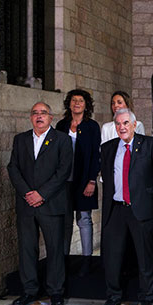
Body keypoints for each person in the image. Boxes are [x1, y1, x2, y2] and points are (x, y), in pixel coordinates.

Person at [7, 102, 73, 305]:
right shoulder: (20, 140)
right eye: (35, 113)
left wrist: (42, 194)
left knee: (55, 249)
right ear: (31, 117)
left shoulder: (62, 139)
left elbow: (64, 170)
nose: (39, 116)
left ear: (51, 117)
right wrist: (27, 193)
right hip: (26, 203)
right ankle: (29, 291)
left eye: (43, 113)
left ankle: (56, 291)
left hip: (51, 203)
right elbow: (13, 168)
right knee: (27, 248)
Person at [100, 108, 153, 305]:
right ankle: (113, 296)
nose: (122, 127)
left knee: (145, 257)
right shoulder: (108, 148)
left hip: (141, 210)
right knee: (112, 257)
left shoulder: (149, 144)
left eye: (126, 123)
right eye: (118, 124)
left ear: (134, 125)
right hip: (116, 210)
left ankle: (146, 297)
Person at [56, 89, 101, 277]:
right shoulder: (61, 125)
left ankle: (87, 260)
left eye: (80, 100)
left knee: (84, 219)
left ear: (86, 104)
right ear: (69, 103)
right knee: (64, 221)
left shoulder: (92, 126)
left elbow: (96, 155)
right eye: (73, 100)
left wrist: (92, 180)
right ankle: (63, 259)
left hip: (84, 180)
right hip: (64, 182)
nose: (77, 103)